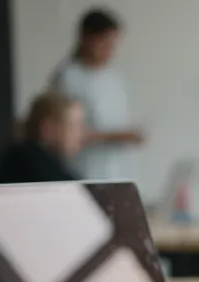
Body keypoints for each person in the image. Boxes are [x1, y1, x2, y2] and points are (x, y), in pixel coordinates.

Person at [49, 8, 144, 180]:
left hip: (118, 172)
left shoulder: (113, 78)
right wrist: (113, 137)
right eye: (105, 43)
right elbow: (63, 133)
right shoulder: (67, 78)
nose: (110, 50)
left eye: (112, 44)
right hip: (84, 170)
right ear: (86, 38)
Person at [0, 92, 84, 184]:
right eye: (73, 126)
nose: (81, 133)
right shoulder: (28, 162)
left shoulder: (31, 156)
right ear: (47, 128)